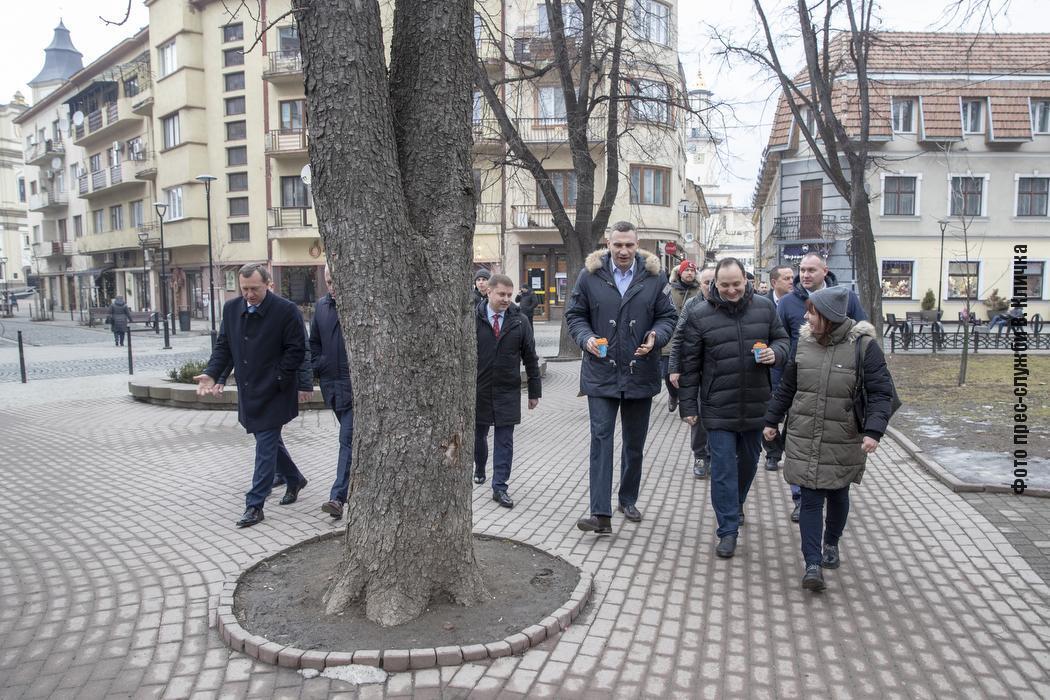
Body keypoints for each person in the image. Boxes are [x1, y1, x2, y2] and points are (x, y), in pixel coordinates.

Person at [762, 286, 894, 591]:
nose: (806, 317)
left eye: (812, 312)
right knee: (809, 498)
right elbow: (788, 387)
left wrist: (874, 431)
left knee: (837, 495)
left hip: (843, 437)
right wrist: (771, 420)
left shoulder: (864, 347)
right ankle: (812, 562)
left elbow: (880, 392)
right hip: (804, 434)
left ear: (830, 317)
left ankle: (831, 542)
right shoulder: (804, 343)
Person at [565, 221, 678, 534]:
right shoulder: (590, 275)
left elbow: (669, 316)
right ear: (608, 244)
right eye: (618, 245)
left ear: (637, 243)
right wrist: (586, 338)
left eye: (629, 245)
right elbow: (575, 315)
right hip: (600, 371)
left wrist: (657, 335)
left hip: (640, 371)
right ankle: (600, 514)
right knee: (601, 440)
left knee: (634, 444)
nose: (624, 251)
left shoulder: (655, 277)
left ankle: (627, 498)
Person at [676, 258, 789, 559]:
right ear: (715, 284)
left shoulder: (765, 308)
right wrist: (688, 406)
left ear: (746, 281)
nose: (731, 290)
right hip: (717, 407)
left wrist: (775, 353)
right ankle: (727, 530)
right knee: (723, 468)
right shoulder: (700, 314)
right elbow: (690, 365)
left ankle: (735, 502)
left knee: (749, 462)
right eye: (724, 285)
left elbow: (783, 340)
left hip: (756, 403)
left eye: (736, 284)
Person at [194, 263, 313, 528]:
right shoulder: (232, 309)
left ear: (268, 284)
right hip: (249, 390)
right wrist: (212, 374)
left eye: (254, 289)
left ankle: (255, 504)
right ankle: (294, 479)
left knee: (265, 445)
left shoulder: (286, 311)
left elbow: (297, 351)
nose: (248, 294)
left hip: (275, 390)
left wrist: (279, 377)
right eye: (244, 288)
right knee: (267, 440)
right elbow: (224, 346)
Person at [775, 253, 867, 521]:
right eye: (801, 270)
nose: (805, 275)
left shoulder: (845, 298)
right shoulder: (788, 303)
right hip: (800, 384)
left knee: (829, 445)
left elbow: (863, 334)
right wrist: (777, 383)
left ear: (825, 271)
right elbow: (780, 339)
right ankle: (802, 498)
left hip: (838, 387)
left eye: (811, 270)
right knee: (800, 443)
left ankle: (829, 490)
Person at [474, 274, 542, 509]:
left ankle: (500, 487)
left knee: (504, 441)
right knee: (478, 436)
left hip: (507, 390)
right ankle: (480, 466)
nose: (506, 299)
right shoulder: (473, 318)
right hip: (479, 390)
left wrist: (534, 391)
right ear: (489, 292)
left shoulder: (519, 321)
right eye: (501, 294)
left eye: (509, 295)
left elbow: (530, 357)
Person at [310, 265, 355, 520]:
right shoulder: (321, 307)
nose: (333, 286)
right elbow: (313, 343)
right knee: (353, 443)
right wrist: (320, 366)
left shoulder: (360, 305)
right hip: (333, 388)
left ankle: (338, 497)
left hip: (355, 391)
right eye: (328, 281)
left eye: (337, 280)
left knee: (346, 441)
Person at [668, 265, 715, 478]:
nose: (711, 287)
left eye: (716, 282)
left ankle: (717, 456)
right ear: (701, 284)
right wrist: (674, 368)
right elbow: (678, 336)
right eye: (707, 282)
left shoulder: (732, 304)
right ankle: (700, 455)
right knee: (699, 417)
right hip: (697, 370)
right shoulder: (692, 304)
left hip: (723, 371)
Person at [761, 264, 796, 472]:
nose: (792, 281)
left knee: (794, 412)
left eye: (793, 277)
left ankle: (789, 449)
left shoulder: (799, 303)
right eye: (786, 278)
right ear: (774, 282)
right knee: (769, 410)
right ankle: (772, 453)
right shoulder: (762, 304)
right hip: (770, 367)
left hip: (794, 365)